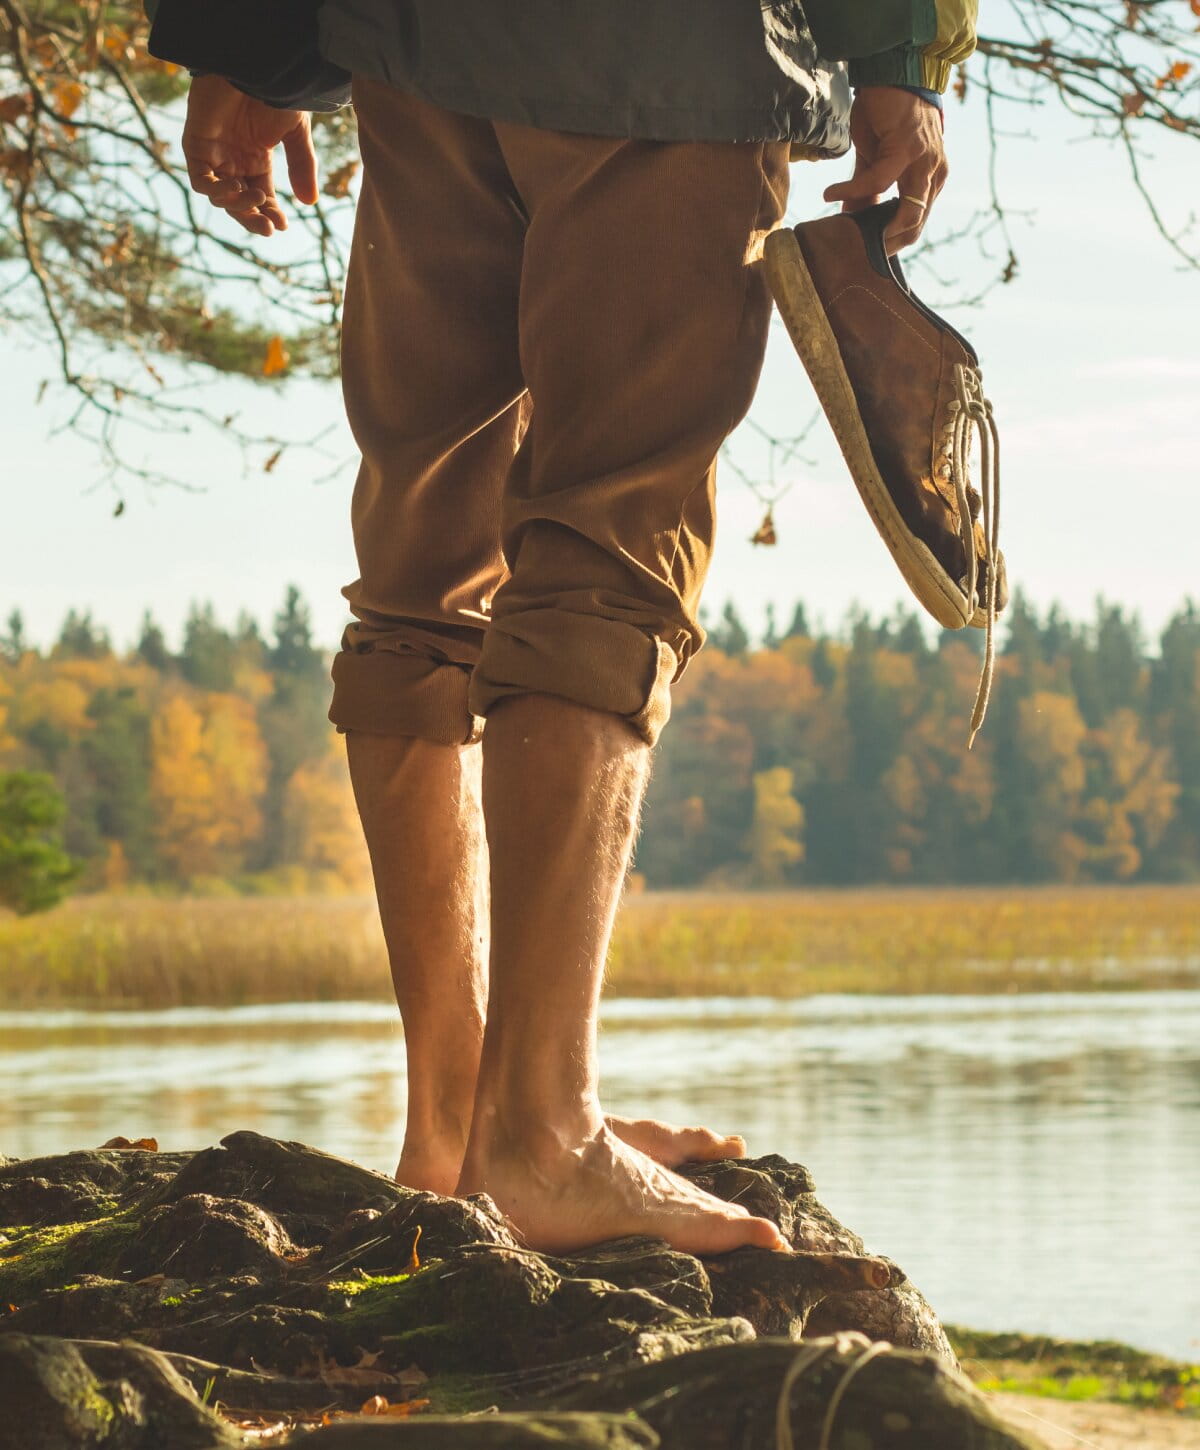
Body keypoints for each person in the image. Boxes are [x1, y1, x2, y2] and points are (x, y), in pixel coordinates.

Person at [175, 1, 976, 1256]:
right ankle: (539, 1135)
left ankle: (457, 1120)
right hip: (672, 51)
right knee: (613, 554)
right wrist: (899, 55)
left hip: (417, 41)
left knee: (418, 571)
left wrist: (253, 39)